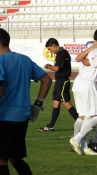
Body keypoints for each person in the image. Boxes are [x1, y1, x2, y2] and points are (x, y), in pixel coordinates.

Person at [0, 28, 52, 175]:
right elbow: (46, 79)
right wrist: (38, 104)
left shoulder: (0, 61)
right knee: (15, 158)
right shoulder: (24, 59)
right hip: (22, 116)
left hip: (4, 116)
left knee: (1, 160)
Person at [39, 38, 79, 131]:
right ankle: (51, 125)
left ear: (53, 45)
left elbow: (57, 68)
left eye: (50, 49)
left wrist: (48, 66)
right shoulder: (62, 53)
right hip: (59, 81)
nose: (50, 51)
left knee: (66, 103)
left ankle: (80, 122)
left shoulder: (61, 53)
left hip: (63, 81)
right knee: (56, 102)